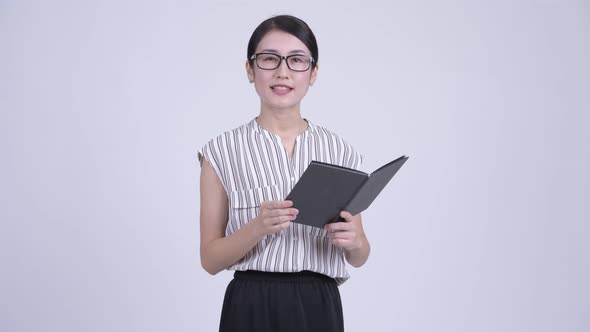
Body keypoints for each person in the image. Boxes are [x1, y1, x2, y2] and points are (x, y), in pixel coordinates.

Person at [197, 14, 370, 332]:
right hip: (250, 305)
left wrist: (355, 242)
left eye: (297, 60)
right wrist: (257, 228)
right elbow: (209, 259)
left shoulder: (341, 151)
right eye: (269, 59)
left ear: (313, 73)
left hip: (319, 304)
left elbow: (359, 255)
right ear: (250, 69)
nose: (282, 72)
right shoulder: (220, 152)